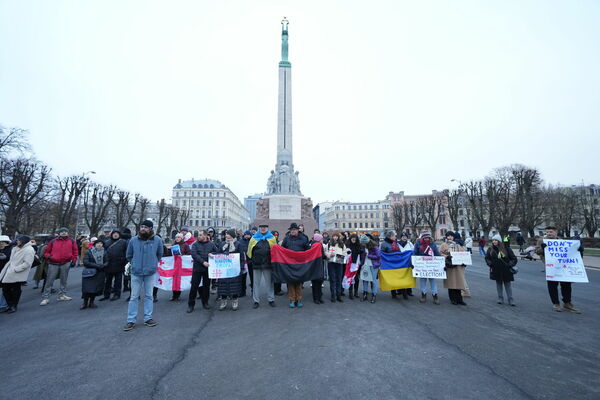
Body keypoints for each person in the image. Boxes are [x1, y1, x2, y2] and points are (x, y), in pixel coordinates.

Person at [123, 220, 163, 331]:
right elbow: (129, 255)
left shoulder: (157, 240)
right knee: (134, 297)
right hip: (136, 272)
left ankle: (148, 318)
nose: (143, 229)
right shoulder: (133, 240)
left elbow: (159, 254)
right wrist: (135, 263)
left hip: (150, 272)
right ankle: (131, 320)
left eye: (145, 227)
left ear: (150, 228)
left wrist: (152, 263)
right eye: (141, 227)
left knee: (149, 296)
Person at [536, 226, 583, 313]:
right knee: (552, 285)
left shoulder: (561, 241)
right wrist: (543, 248)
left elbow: (569, 252)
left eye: (551, 232)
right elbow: (537, 252)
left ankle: (567, 303)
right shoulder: (542, 241)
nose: (549, 234)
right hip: (551, 266)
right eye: (547, 232)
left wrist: (578, 249)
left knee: (566, 284)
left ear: (556, 232)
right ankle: (556, 303)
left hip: (563, 266)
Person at [41, 227, 78, 306]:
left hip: (66, 262)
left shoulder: (72, 241)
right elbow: (46, 252)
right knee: (49, 280)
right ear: (59, 233)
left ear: (67, 233)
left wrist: (74, 260)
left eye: (65, 231)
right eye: (62, 231)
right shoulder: (53, 241)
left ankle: (62, 295)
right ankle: (46, 298)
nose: (64, 232)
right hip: (53, 263)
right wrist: (50, 257)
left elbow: (75, 251)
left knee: (64, 280)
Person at [0, 235, 34, 313]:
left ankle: (13, 306)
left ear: (23, 241)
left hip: (17, 273)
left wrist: (16, 269)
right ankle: (9, 305)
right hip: (9, 271)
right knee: (6, 289)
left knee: (15, 290)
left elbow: (27, 263)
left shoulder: (29, 250)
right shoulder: (16, 248)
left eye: (19, 240)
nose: (17, 241)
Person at [247, 224, 278, 308]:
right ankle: (256, 301)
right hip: (256, 264)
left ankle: (271, 299)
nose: (263, 229)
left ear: (267, 228)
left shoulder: (272, 238)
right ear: (259, 229)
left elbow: (276, 251)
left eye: (265, 227)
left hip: (268, 264)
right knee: (256, 283)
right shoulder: (253, 238)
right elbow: (249, 250)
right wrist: (251, 260)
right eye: (261, 228)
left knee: (269, 283)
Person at [187, 230, 218, 313]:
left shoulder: (211, 244)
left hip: (207, 269)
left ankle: (205, 302)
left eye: (200, 235)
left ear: (205, 236)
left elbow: (217, 252)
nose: (199, 237)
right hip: (197, 268)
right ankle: (191, 305)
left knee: (206, 286)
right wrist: (203, 262)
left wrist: (213, 254)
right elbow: (194, 255)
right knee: (194, 286)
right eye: (198, 235)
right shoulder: (195, 244)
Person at [282, 222, 310, 308]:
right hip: (289, 263)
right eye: (291, 230)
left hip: (299, 263)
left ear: (298, 230)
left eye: (294, 230)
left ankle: (299, 299)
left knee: (298, 282)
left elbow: (307, 249)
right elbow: (282, 249)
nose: (293, 231)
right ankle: (292, 299)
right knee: (290, 281)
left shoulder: (303, 238)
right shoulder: (286, 239)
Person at [485, 234, 517, 306]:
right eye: (493, 240)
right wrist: (490, 264)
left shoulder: (506, 248)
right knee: (499, 284)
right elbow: (487, 258)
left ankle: (510, 299)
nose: (494, 241)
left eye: (496, 240)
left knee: (507, 284)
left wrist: (510, 264)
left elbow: (514, 258)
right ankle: (500, 298)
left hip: (506, 269)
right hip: (496, 269)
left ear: (499, 241)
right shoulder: (490, 249)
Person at [217, 230, 244, 311]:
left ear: (232, 235)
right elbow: (218, 253)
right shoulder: (222, 244)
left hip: (234, 268)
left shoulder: (238, 244)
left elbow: (241, 257)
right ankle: (223, 301)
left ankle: (235, 301)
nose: (226, 235)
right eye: (226, 234)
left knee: (234, 285)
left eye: (228, 234)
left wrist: (241, 268)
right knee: (223, 285)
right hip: (224, 268)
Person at [440, 231, 467, 305]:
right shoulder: (444, 245)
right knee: (451, 283)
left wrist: (464, 260)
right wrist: (446, 256)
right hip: (449, 266)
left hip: (457, 266)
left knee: (458, 283)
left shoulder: (457, 245)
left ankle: (459, 299)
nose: (450, 237)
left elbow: (463, 253)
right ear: (446, 237)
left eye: (451, 236)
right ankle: (453, 299)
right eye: (448, 236)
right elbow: (440, 253)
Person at [413, 232, 441, 304]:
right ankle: (423, 295)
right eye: (425, 238)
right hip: (422, 266)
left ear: (430, 238)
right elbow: (415, 253)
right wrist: (413, 262)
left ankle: (435, 295)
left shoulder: (432, 244)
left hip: (431, 266)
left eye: (428, 237)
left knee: (433, 281)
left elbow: (437, 254)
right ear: (422, 238)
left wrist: (441, 262)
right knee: (423, 281)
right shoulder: (418, 244)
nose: (426, 239)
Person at [101, 230, 128, 301]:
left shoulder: (123, 242)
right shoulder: (107, 242)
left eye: (117, 234)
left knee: (118, 281)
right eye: (114, 234)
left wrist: (124, 261)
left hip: (119, 264)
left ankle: (117, 294)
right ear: (112, 235)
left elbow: (126, 252)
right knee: (108, 281)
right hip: (109, 264)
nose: (115, 235)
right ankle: (106, 295)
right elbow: (103, 252)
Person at [81, 239, 108, 309]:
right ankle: (85, 303)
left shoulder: (104, 252)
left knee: (95, 289)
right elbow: (86, 262)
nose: (99, 244)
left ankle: (91, 302)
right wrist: (97, 265)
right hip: (90, 273)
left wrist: (103, 265)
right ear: (95, 244)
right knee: (87, 289)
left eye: (101, 243)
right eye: (98, 243)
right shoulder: (89, 252)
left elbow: (107, 261)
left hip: (100, 272)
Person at [326, 231, 346, 303]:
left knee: (339, 279)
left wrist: (341, 256)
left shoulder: (342, 244)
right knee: (332, 279)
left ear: (338, 237)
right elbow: (326, 252)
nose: (335, 237)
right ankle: (333, 295)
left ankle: (338, 295)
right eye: (334, 236)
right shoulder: (329, 243)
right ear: (332, 236)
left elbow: (345, 252)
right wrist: (330, 254)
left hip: (339, 263)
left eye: (336, 236)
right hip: (331, 262)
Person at [346, 233, 365, 300]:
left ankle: (356, 292)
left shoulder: (359, 245)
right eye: (352, 239)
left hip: (357, 264)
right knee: (350, 278)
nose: (353, 240)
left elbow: (362, 253)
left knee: (356, 279)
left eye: (355, 239)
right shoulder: (347, 245)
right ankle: (350, 293)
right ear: (350, 239)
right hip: (350, 264)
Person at [362, 234, 380, 303]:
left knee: (373, 280)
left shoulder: (374, 246)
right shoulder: (363, 246)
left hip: (373, 265)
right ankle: (365, 294)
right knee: (365, 279)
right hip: (365, 265)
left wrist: (369, 255)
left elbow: (378, 256)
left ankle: (374, 295)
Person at [310, 233, 327, 304]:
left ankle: (317, 298)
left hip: (314, 266)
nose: (322, 240)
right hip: (318, 265)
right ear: (318, 239)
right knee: (318, 282)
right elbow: (322, 255)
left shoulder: (312, 245)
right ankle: (318, 298)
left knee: (315, 283)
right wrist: (327, 257)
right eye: (321, 239)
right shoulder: (318, 245)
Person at [237, 230, 253, 297]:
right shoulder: (240, 241)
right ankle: (242, 291)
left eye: (248, 235)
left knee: (253, 277)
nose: (247, 236)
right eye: (246, 234)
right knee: (243, 278)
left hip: (251, 261)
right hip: (243, 262)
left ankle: (253, 290)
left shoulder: (252, 241)